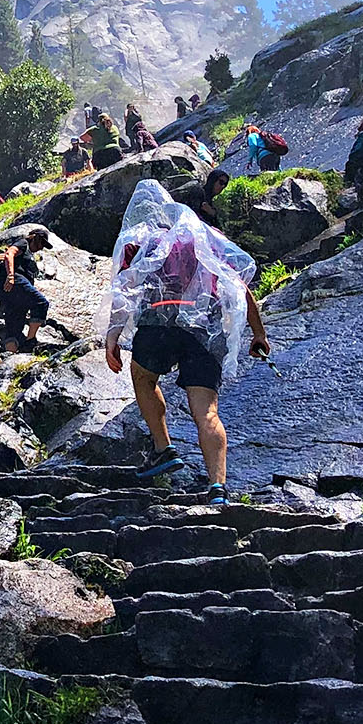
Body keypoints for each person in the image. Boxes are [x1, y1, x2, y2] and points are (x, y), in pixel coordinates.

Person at [102, 179, 270, 496]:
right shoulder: (211, 239)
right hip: (205, 331)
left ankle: (164, 448)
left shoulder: (144, 242)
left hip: (158, 323)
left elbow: (126, 287)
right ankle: (217, 487)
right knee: (206, 412)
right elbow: (239, 287)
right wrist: (258, 333)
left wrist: (113, 335)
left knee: (143, 376)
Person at [0, 227, 54, 351]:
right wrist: (11, 276)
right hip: (14, 282)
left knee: (14, 325)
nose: (42, 247)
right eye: (42, 243)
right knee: (41, 302)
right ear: (35, 237)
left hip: (11, 293)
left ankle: (10, 356)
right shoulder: (23, 243)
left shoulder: (28, 253)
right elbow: (10, 253)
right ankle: (30, 341)